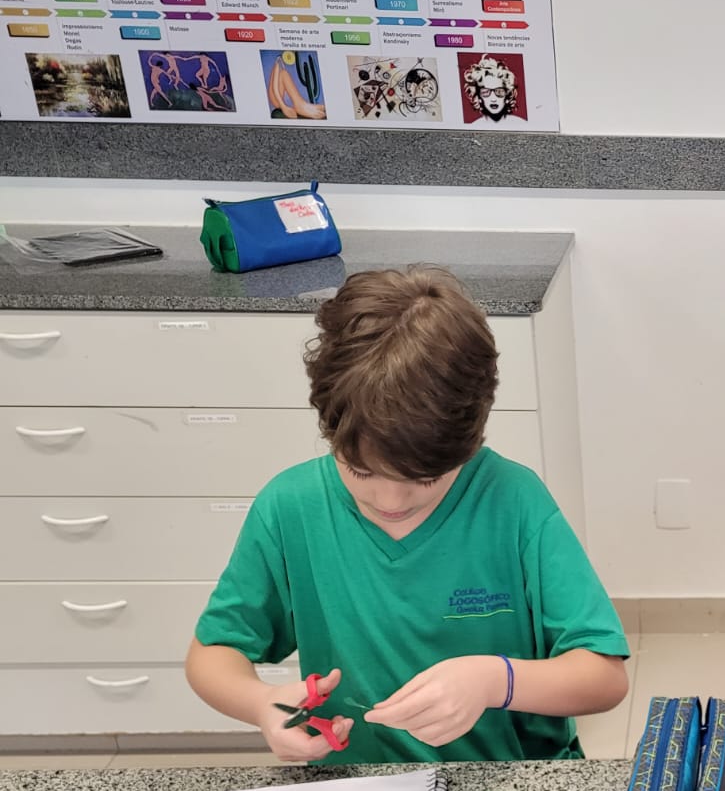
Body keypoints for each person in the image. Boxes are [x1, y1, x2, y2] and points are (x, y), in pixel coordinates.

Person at [185, 267, 629, 764]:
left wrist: (495, 680)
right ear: (330, 431)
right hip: (363, 787)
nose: (390, 502)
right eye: (360, 470)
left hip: (506, 778)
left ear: (469, 443)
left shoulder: (514, 500)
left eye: (424, 479)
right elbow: (211, 655)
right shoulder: (290, 506)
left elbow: (604, 677)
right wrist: (261, 704)